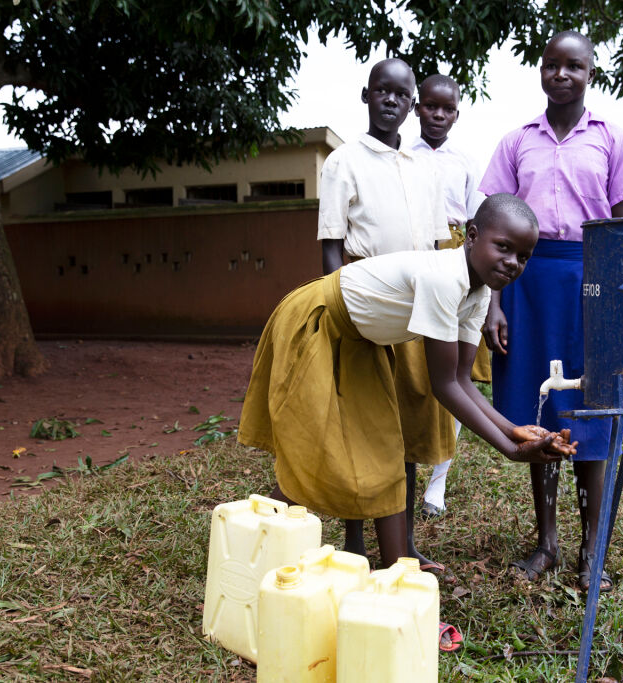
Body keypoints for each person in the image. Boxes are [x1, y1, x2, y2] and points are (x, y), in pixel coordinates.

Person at [238, 194, 576, 568]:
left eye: (523, 256)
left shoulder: (477, 291)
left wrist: (515, 431)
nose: (513, 263)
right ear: (471, 235)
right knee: (313, 446)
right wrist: (510, 449)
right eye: (503, 247)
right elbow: (444, 385)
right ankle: (251, 551)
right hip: (316, 321)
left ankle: (398, 572)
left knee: (385, 449)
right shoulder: (444, 279)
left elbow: (462, 380)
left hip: (362, 341)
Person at [479, 30, 623, 590]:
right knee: (539, 409)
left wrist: (621, 307)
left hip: (590, 280)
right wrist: (494, 305)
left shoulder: (612, 140)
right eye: (552, 64)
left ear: (590, 72)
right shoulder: (516, 142)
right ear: (541, 70)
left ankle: (591, 549)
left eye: (574, 65)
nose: (562, 74)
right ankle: (546, 541)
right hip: (527, 282)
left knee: (589, 406)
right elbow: (493, 231)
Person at [315, 58, 458, 571]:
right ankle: (356, 547)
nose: (392, 101)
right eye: (382, 91)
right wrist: (340, 314)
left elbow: (441, 246)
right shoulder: (344, 162)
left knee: (408, 427)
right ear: (366, 95)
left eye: (402, 94)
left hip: (418, 308)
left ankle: (407, 546)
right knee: (363, 426)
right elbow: (332, 246)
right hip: (367, 304)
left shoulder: (426, 167)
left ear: (413, 104)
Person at [407, 74, 490, 519]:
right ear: (418, 107)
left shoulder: (465, 161)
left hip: (458, 265)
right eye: (430, 106)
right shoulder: (403, 157)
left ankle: (437, 481)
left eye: (448, 109)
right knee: (414, 373)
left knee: (457, 377)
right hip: (417, 261)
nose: (438, 115)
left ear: (457, 113)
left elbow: (480, 224)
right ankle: (403, 468)